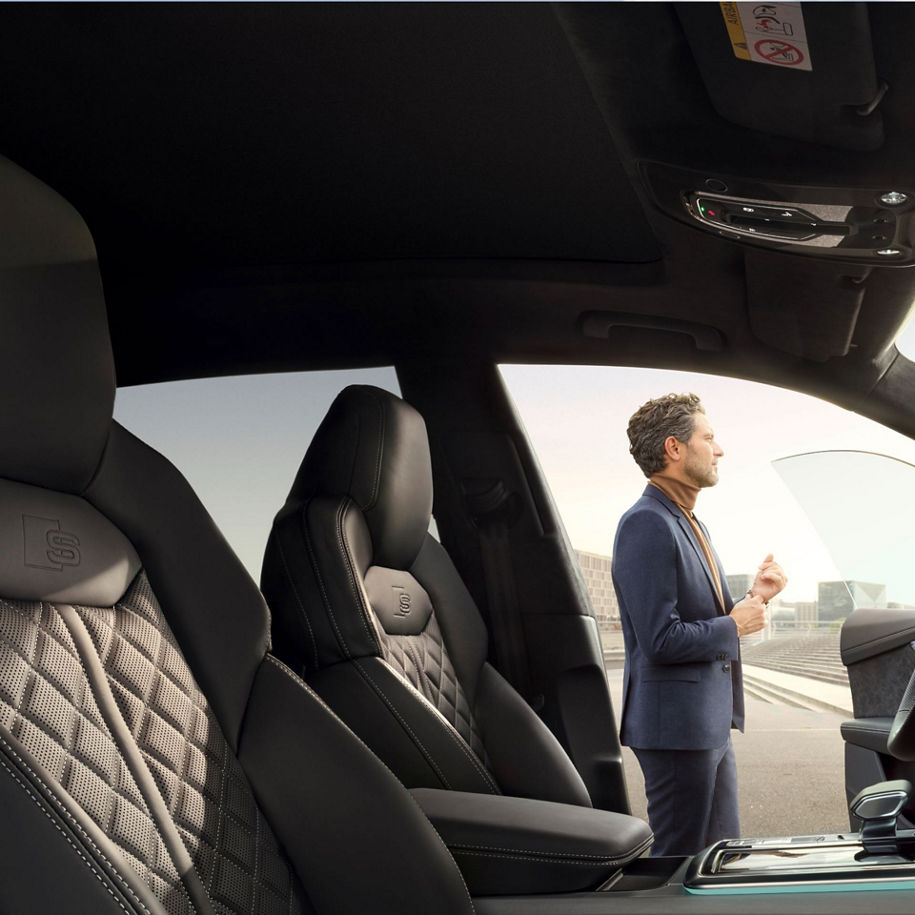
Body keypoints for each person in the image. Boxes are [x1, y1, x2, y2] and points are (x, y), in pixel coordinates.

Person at [611, 393, 786, 856]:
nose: (719, 449)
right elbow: (660, 640)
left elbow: (718, 618)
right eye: (709, 438)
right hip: (676, 732)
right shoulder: (646, 523)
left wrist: (757, 597)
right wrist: (734, 625)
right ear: (674, 448)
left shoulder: (690, 523)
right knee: (679, 863)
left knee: (722, 857)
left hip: (705, 725)